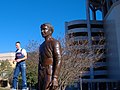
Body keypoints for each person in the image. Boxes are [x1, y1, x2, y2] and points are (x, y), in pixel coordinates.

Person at [38, 23, 62, 90]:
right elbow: (40, 62)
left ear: (50, 31)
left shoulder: (55, 42)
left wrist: (55, 77)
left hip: (50, 71)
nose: (42, 31)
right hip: (41, 72)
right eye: (41, 30)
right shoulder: (41, 46)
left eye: (44, 29)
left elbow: (58, 60)